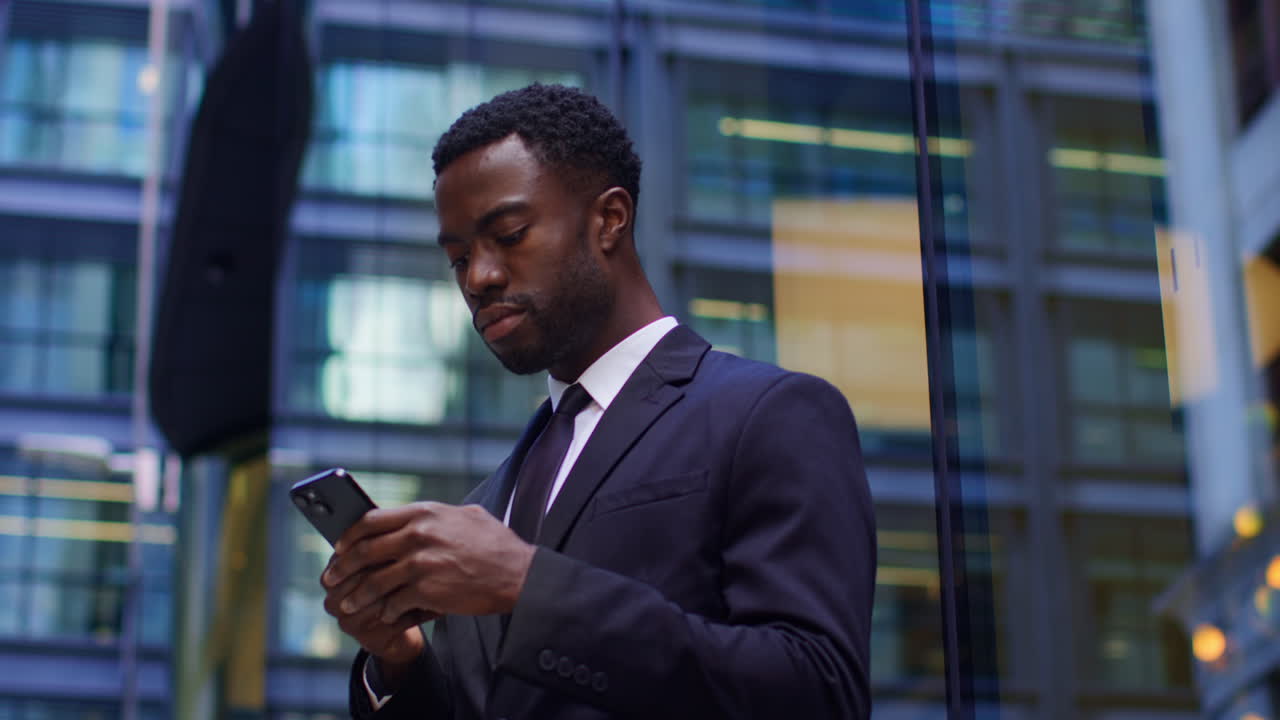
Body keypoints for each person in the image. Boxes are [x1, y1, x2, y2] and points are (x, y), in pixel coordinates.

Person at [320, 83, 876, 719]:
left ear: (610, 218)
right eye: (460, 259)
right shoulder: (486, 505)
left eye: (509, 233)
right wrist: (398, 660)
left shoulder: (772, 415)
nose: (480, 278)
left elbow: (818, 693)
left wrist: (528, 586)